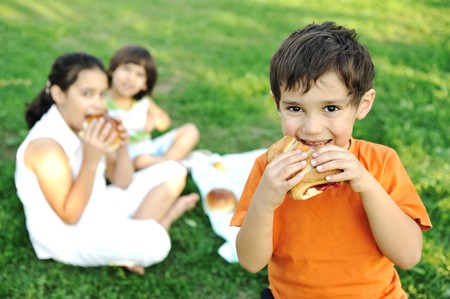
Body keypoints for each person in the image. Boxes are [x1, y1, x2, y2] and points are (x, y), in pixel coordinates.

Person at [230, 21, 432, 298]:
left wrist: (367, 185)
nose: (312, 127)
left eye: (331, 108)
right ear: (278, 105)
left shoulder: (381, 162)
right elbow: (251, 262)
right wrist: (265, 199)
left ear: (363, 105)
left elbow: (408, 256)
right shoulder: (269, 169)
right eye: (295, 108)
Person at [15, 52, 199, 275]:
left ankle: (131, 235)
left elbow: (122, 181)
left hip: (99, 206)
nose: (98, 104)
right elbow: (69, 215)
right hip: (69, 236)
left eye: (102, 94)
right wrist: (91, 161)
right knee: (158, 243)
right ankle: (169, 214)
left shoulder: (86, 122)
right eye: (86, 94)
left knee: (173, 171)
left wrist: (121, 147)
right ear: (59, 94)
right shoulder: (46, 147)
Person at [106, 45, 200, 170]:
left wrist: (155, 121)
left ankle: (166, 161)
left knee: (190, 130)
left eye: (139, 74)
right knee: (141, 161)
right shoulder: (103, 102)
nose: (131, 78)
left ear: (145, 84)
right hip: (124, 156)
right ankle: (175, 164)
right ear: (112, 70)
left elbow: (165, 122)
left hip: (149, 149)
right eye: (126, 69)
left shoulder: (143, 102)